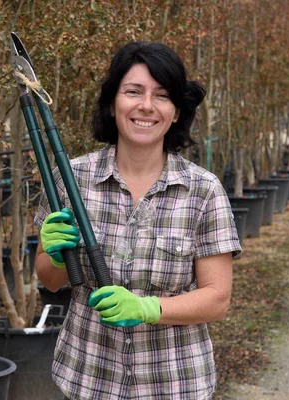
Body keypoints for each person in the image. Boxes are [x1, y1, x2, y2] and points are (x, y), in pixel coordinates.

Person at [34, 41, 242, 400]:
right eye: (133, 91)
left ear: (176, 112)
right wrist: (54, 256)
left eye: (162, 96)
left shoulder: (203, 191)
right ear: (113, 103)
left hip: (175, 385)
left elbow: (217, 299)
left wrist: (147, 308)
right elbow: (50, 281)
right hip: (88, 380)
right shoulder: (71, 179)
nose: (146, 106)